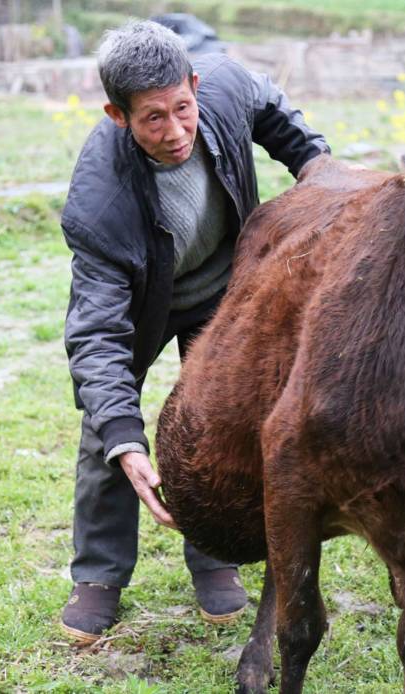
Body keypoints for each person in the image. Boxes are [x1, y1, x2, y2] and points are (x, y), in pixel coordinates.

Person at [58, 21, 330, 645]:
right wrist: (127, 443)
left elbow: (275, 111)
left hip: (222, 286)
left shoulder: (226, 89)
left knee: (222, 418)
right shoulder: (99, 204)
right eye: (153, 119)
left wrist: (315, 166)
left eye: (183, 109)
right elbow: (97, 337)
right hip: (144, 303)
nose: (176, 132)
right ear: (118, 116)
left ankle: (213, 556)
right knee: (110, 426)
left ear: (196, 88)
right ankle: (98, 577)